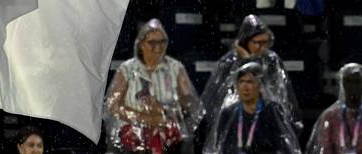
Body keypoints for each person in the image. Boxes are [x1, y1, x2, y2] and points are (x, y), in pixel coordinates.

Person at [104, 19, 201, 154]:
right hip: (133, 131)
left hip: (167, 130)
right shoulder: (127, 69)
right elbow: (113, 106)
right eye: (152, 42)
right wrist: (143, 118)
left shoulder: (175, 68)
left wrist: (165, 113)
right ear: (141, 44)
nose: (158, 47)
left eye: (162, 41)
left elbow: (190, 104)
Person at [198, 17, 302, 136]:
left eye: (265, 42)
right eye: (257, 42)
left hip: (265, 114)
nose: (262, 47)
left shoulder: (272, 60)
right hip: (235, 115)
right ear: (246, 41)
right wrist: (246, 59)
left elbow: (278, 92)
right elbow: (218, 95)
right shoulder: (229, 61)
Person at [201, 63, 300, 154]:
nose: (245, 87)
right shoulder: (228, 113)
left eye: (250, 82)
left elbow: (284, 145)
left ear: (260, 85)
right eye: (241, 82)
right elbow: (220, 147)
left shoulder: (272, 110)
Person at [305, 63, 362, 154]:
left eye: (357, 82)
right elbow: (324, 149)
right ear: (342, 84)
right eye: (348, 81)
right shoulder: (330, 116)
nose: (353, 87)